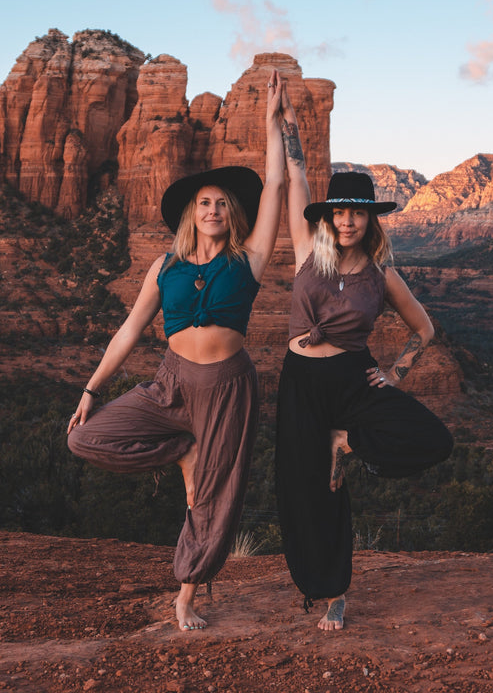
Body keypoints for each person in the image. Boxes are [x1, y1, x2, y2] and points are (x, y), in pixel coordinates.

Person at [67, 70, 285, 632]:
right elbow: (128, 331)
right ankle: (181, 450)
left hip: (228, 387)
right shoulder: (163, 266)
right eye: (203, 202)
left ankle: (185, 595)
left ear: (231, 214)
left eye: (221, 203)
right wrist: (92, 389)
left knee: (214, 501)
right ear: (191, 213)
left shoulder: (248, 261)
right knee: (84, 437)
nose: (212, 209)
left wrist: (271, 123)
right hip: (171, 382)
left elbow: (278, 190)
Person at [275, 84, 453, 631]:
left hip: (353, 377)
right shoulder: (308, 250)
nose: (347, 221)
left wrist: (395, 372)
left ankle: (345, 443)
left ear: (370, 220)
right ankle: (329, 592)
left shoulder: (383, 275)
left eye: (357, 213)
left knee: (433, 439)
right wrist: (286, 123)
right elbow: (297, 176)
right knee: (306, 489)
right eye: (339, 213)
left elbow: (424, 328)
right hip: (301, 380)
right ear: (327, 218)